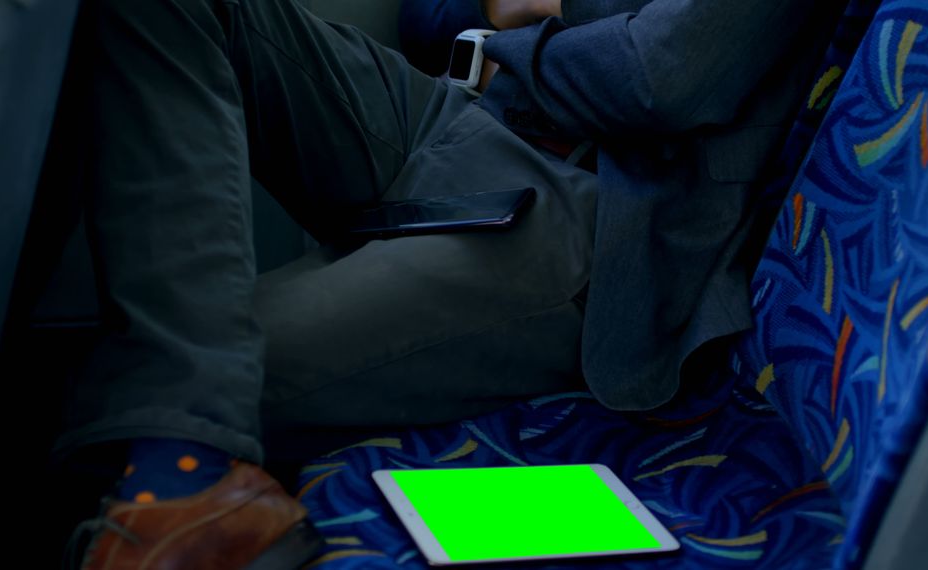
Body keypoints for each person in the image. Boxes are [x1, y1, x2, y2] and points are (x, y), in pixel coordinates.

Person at [60, 0, 844, 567]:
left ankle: (185, 470)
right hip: (458, 121)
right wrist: (514, 20)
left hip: (598, 224)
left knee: (134, 398)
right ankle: (181, 453)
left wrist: (535, 26)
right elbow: (430, 13)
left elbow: (657, 78)